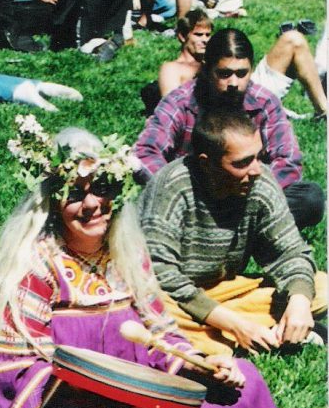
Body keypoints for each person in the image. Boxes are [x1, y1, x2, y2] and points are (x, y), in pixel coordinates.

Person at [0, 120, 290, 408]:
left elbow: (163, 336)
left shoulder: (128, 257)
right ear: (54, 203)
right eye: (75, 194)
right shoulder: (35, 268)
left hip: (145, 392)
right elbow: (14, 367)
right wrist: (90, 386)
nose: (92, 204)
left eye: (102, 189)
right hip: (68, 397)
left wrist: (198, 364)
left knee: (244, 377)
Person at [139, 107, 326, 356]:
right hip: (173, 295)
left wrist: (300, 303)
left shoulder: (259, 181)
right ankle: (252, 335)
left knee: (319, 286)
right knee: (148, 310)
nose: (256, 169)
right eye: (242, 162)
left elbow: (290, 252)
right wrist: (234, 324)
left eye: (258, 156)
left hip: (224, 290)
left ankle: (218, 340)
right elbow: (159, 272)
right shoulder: (172, 187)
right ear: (207, 163)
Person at [135, 27, 325, 230]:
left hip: (248, 195)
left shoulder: (265, 102)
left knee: (309, 198)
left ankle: (238, 230)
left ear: (251, 70)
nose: (233, 83)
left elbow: (288, 160)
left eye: (242, 73)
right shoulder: (180, 101)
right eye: (224, 74)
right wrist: (180, 191)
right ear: (207, 69)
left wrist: (253, 191)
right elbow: (145, 153)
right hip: (192, 196)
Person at [155, 11, 327, 117]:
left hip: (248, 88)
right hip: (222, 108)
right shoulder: (172, 68)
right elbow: (172, 108)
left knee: (293, 39)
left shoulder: (217, 55)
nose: (205, 40)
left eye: (208, 35)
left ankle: (324, 111)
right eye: (198, 35)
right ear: (182, 36)